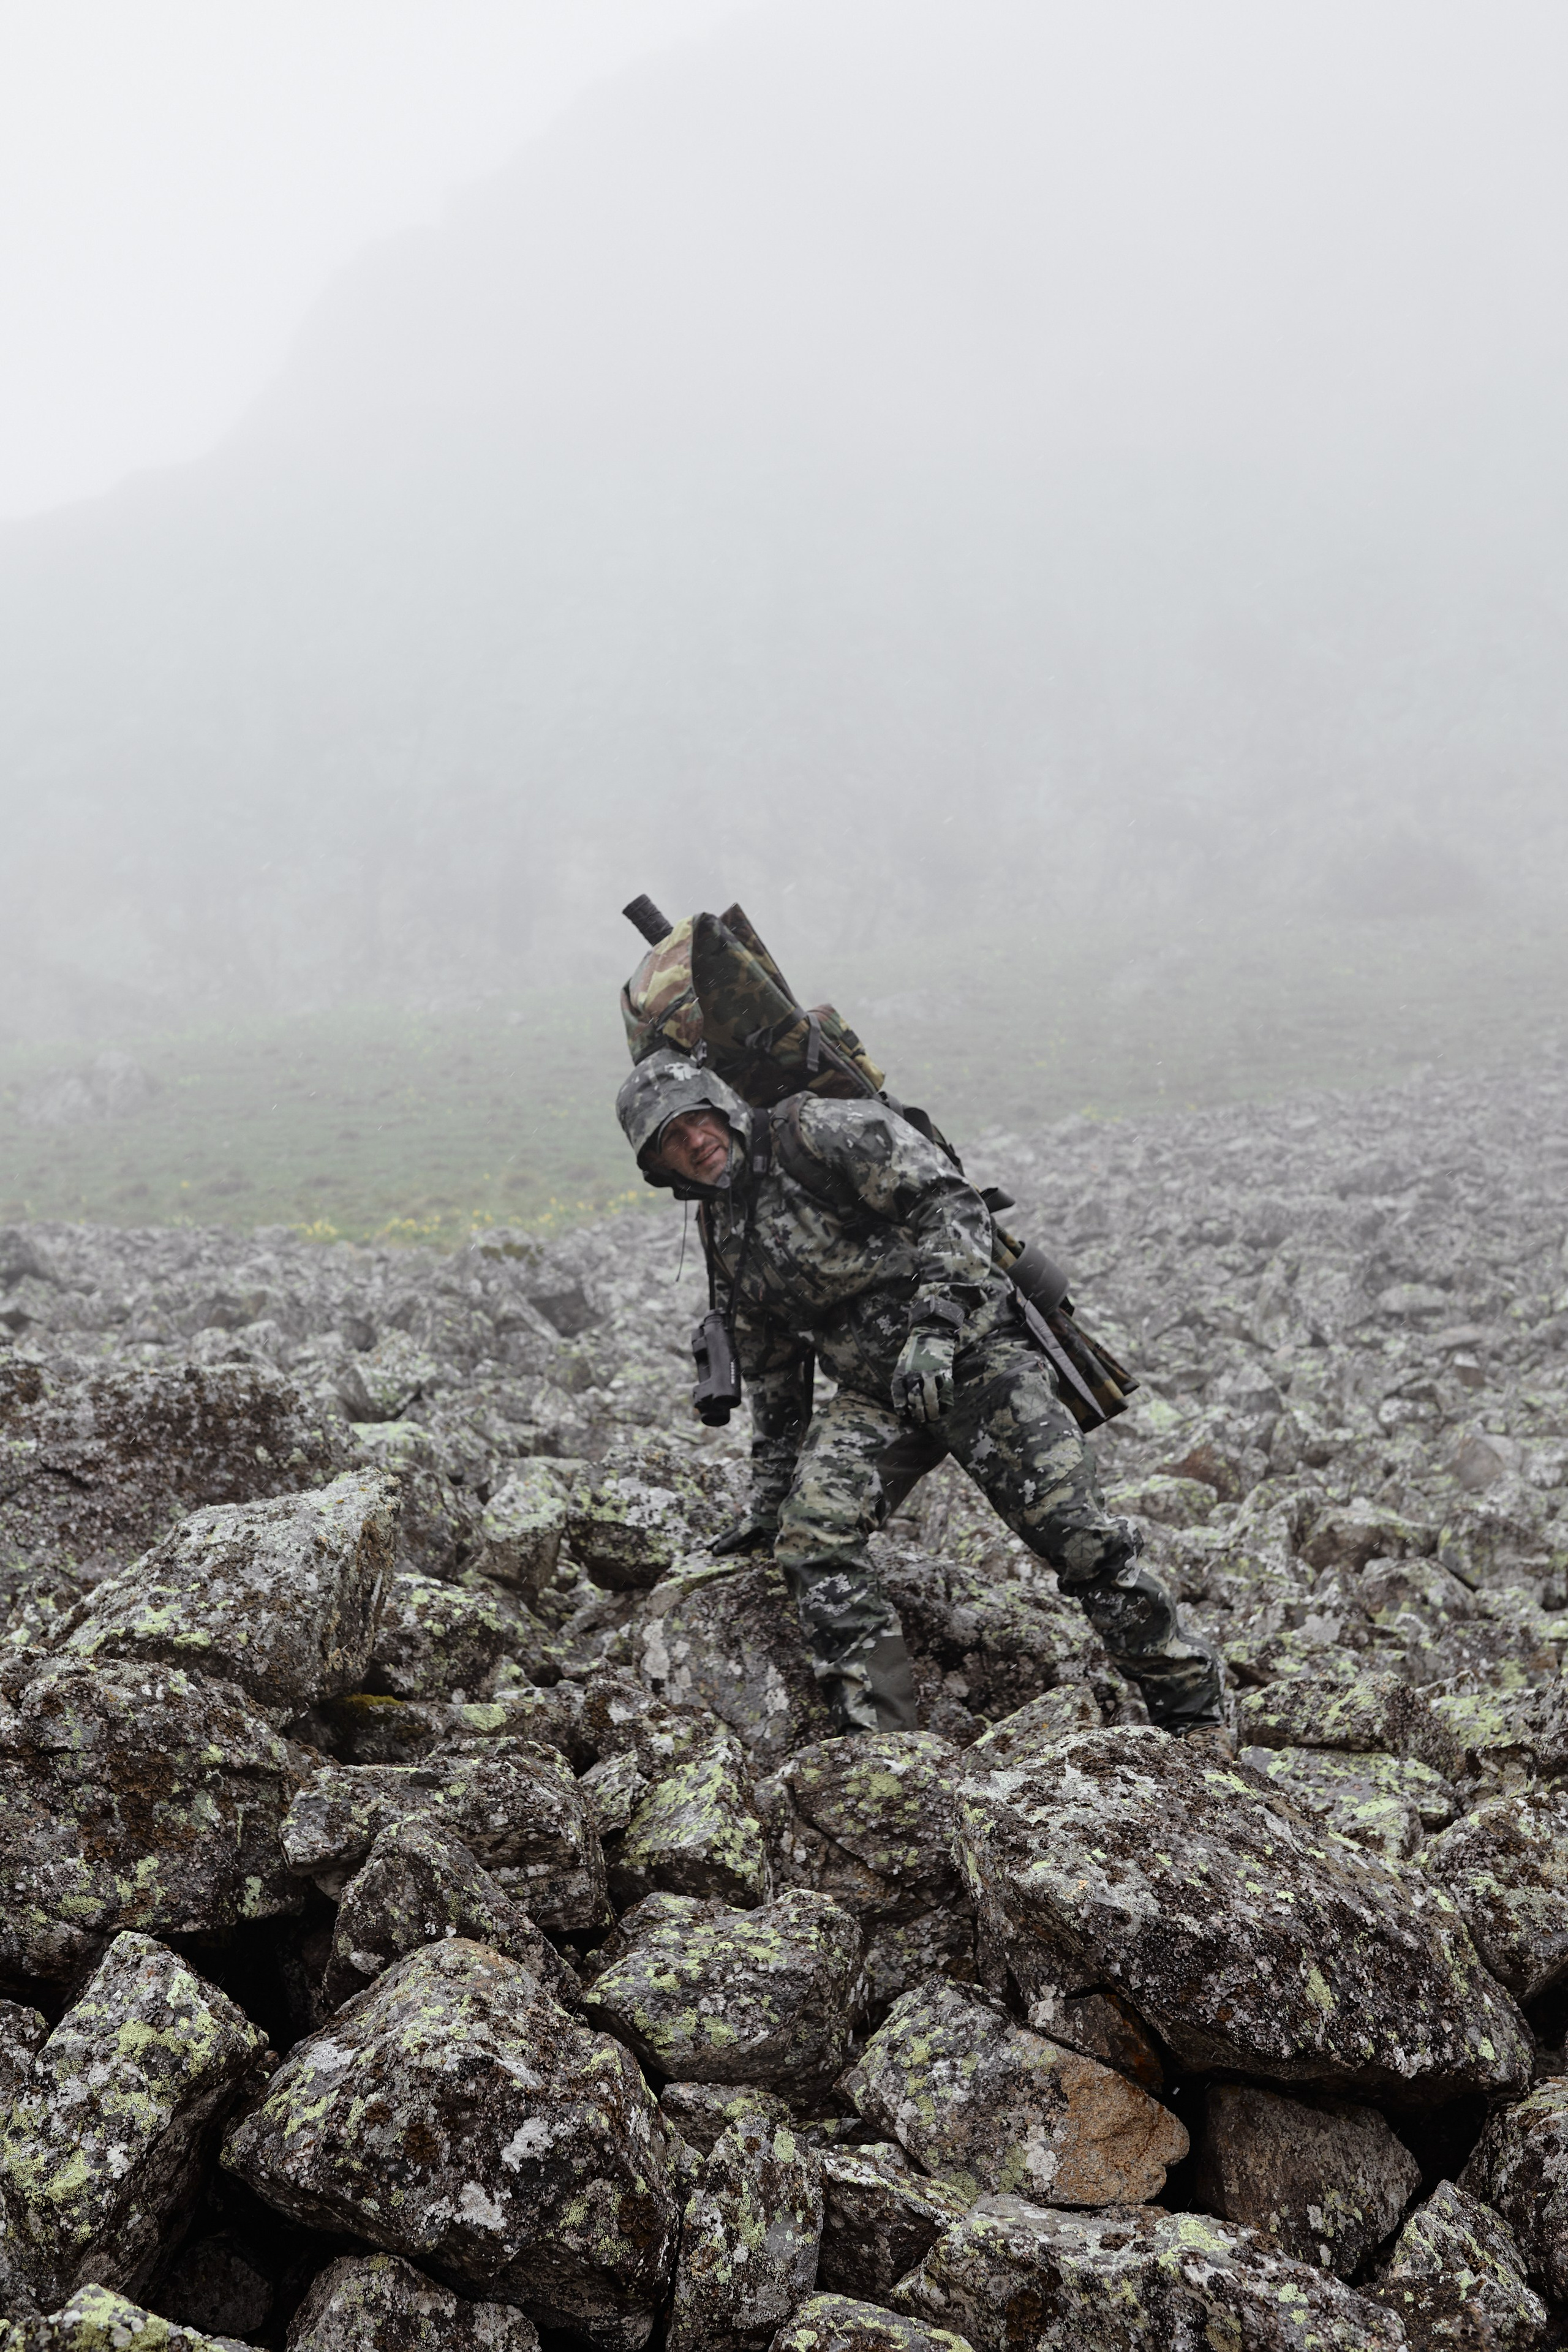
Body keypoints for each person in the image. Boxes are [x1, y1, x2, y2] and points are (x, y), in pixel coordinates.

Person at [617, 1046, 1225, 1741]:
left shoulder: (822, 1131)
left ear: (719, 1106)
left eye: (695, 1119)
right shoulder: (722, 1229)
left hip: (975, 1356)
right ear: (658, 1165)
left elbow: (950, 1206)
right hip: (876, 1395)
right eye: (671, 1139)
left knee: (1079, 1540)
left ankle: (1193, 1712)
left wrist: (936, 1327)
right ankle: (886, 1750)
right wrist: (767, 1499)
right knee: (813, 1537)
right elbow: (773, 1364)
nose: (694, 1141)